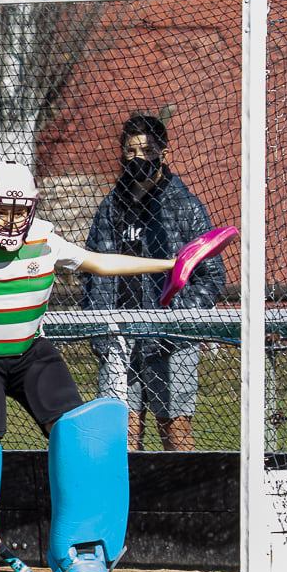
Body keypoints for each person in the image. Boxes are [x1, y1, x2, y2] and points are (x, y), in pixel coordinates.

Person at [0, 159, 181, 572]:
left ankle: (81, 550)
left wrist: (170, 262)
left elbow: (99, 263)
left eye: (19, 209)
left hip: (30, 353)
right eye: (1, 209)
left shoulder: (45, 238)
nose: (10, 219)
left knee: (83, 433)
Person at [83, 115, 226, 451]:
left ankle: (183, 503)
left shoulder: (185, 207)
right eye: (130, 151)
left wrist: (174, 316)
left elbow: (212, 275)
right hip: (119, 337)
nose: (138, 158)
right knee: (120, 435)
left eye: (146, 150)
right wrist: (97, 324)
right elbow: (91, 271)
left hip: (170, 341)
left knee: (174, 431)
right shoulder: (110, 208)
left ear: (164, 151)